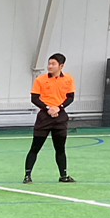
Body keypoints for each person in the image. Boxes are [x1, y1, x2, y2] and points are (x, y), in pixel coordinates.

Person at [25, 53, 76, 183]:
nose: (50, 66)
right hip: (44, 116)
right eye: (49, 63)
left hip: (60, 116)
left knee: (60, 149)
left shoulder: (68, 79)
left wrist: (59, 107)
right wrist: (48, 108)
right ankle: (27, 175)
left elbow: (70, 97)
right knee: (35, 147)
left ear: (61, 66)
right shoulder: (40, 80)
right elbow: (34, 98)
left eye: (53, 64)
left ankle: (63, 175)